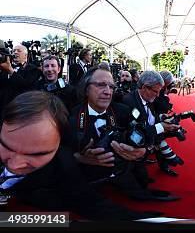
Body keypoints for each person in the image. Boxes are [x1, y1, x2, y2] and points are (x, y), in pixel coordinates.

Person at [0, 91, 158, 220]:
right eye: (7, 146)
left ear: (57, 143)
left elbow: (92, 203)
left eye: (37, 153)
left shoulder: (64, 163)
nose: (15, 164)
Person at [67, 67, 180, 202]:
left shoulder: (122, 111)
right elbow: (59, 153)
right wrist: (78, 157)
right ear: (86, 88)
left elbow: (140, 132)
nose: (107, 92)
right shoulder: (71, 117)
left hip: (123, 172)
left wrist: (142, 151)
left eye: (111, 86)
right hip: (86, 187)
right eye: (101, 85)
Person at [0, 43, 42, 119]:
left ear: (26, 55)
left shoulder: (33, 69)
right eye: (13, 51)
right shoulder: (5, 67)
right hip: (3, 109)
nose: (15, 52)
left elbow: (26, 86)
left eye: (18, 51)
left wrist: (11, 71)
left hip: (20, 110)